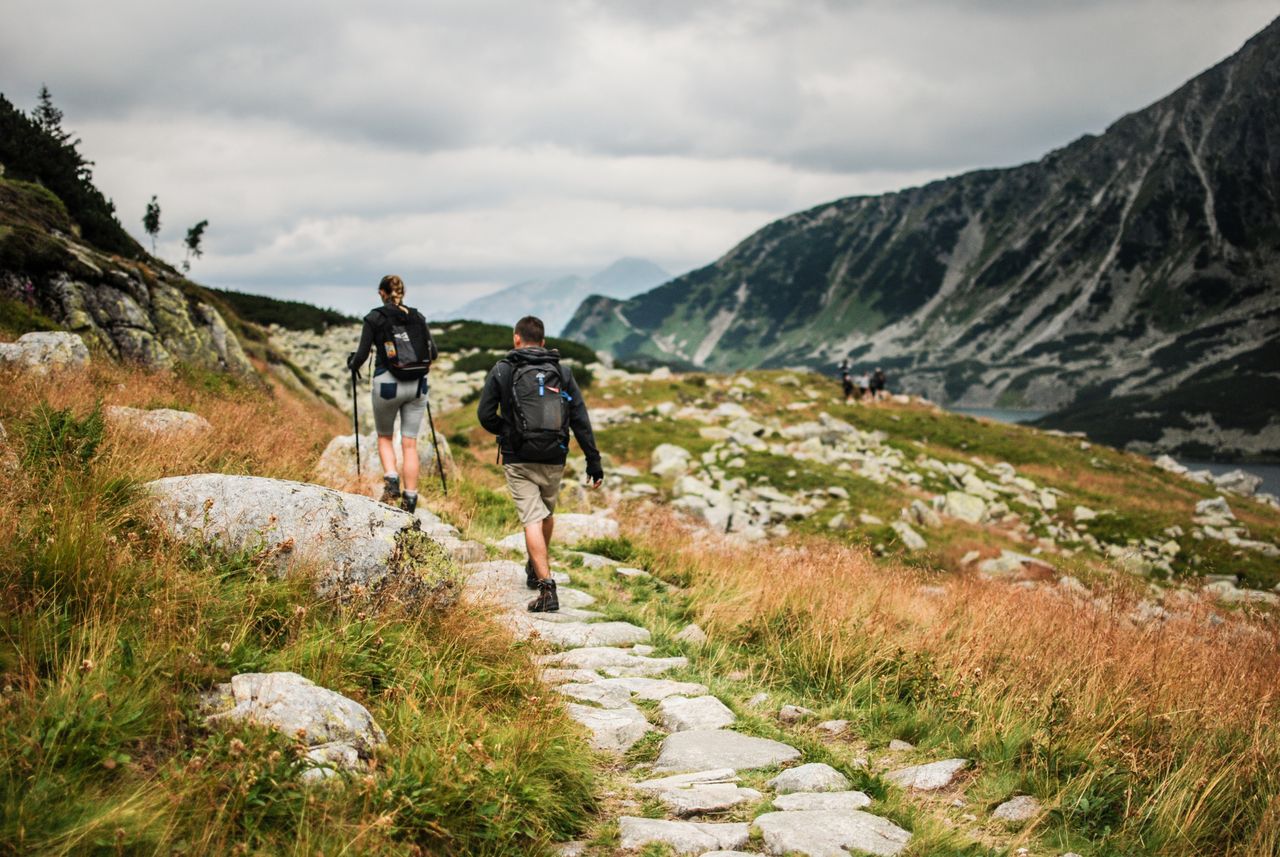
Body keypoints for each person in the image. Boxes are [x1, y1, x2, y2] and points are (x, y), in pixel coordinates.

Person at [477, 316, 603, 612]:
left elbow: (485, 414)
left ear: (516, 339)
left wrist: (507, 431)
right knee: (545, 514)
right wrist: (593, 461)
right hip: (554, 456)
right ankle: (536, 567)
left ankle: (547, 589)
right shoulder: (561, 371)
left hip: (518, 457)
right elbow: (580, 418)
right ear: (543, 342)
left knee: (532, 518)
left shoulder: (503, 369)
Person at [347, 274, 438, 513]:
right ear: (402, 293)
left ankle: (391, 480)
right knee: (409, 444)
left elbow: (362, 355)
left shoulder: (375, 317)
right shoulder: (418, 317)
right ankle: (411, 497)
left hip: (388, 385)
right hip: (418, 386)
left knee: (385, 437)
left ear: (381, 293)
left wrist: (352, 365)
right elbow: (434, 353)